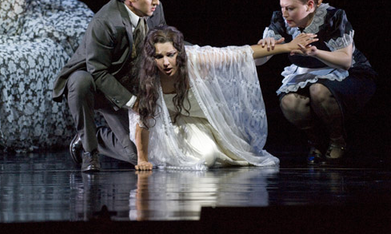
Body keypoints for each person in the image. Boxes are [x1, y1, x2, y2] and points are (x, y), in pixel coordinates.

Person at [130, 26, 317, 170]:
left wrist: (286, 47)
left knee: (233, 154)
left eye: (170, 55)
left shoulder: (195, 59)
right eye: (159, 56)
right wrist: (142, 159)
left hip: (204, 120)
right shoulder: (150, 77)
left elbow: (240, 54)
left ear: (179, 52)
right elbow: (143, 119)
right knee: (205, 157)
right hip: (170, 127)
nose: (165, 62)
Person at [53, 0, 166, 172]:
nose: (157, 2)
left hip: (126, 86)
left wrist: (199, 53)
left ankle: (99, 137)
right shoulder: (105, 22)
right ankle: (89, 147)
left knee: (136, 154)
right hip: (99, 88)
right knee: (80, 80)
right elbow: (98, 72)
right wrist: (133, 102)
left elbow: (164, 41)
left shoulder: (153, 10)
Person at [256, 0, 377, 164]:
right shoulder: (282, 20)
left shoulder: (333, 17)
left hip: (348, 73)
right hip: (307, 74)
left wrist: (315, 53)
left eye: (291, 8)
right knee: (289, 103)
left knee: (318, 90)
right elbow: (258, 63)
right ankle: (317, 141)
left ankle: (337, 140)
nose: (285, 13)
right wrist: (268, 47)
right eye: (282, 7)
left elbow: (345, 61)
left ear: (309, 5)